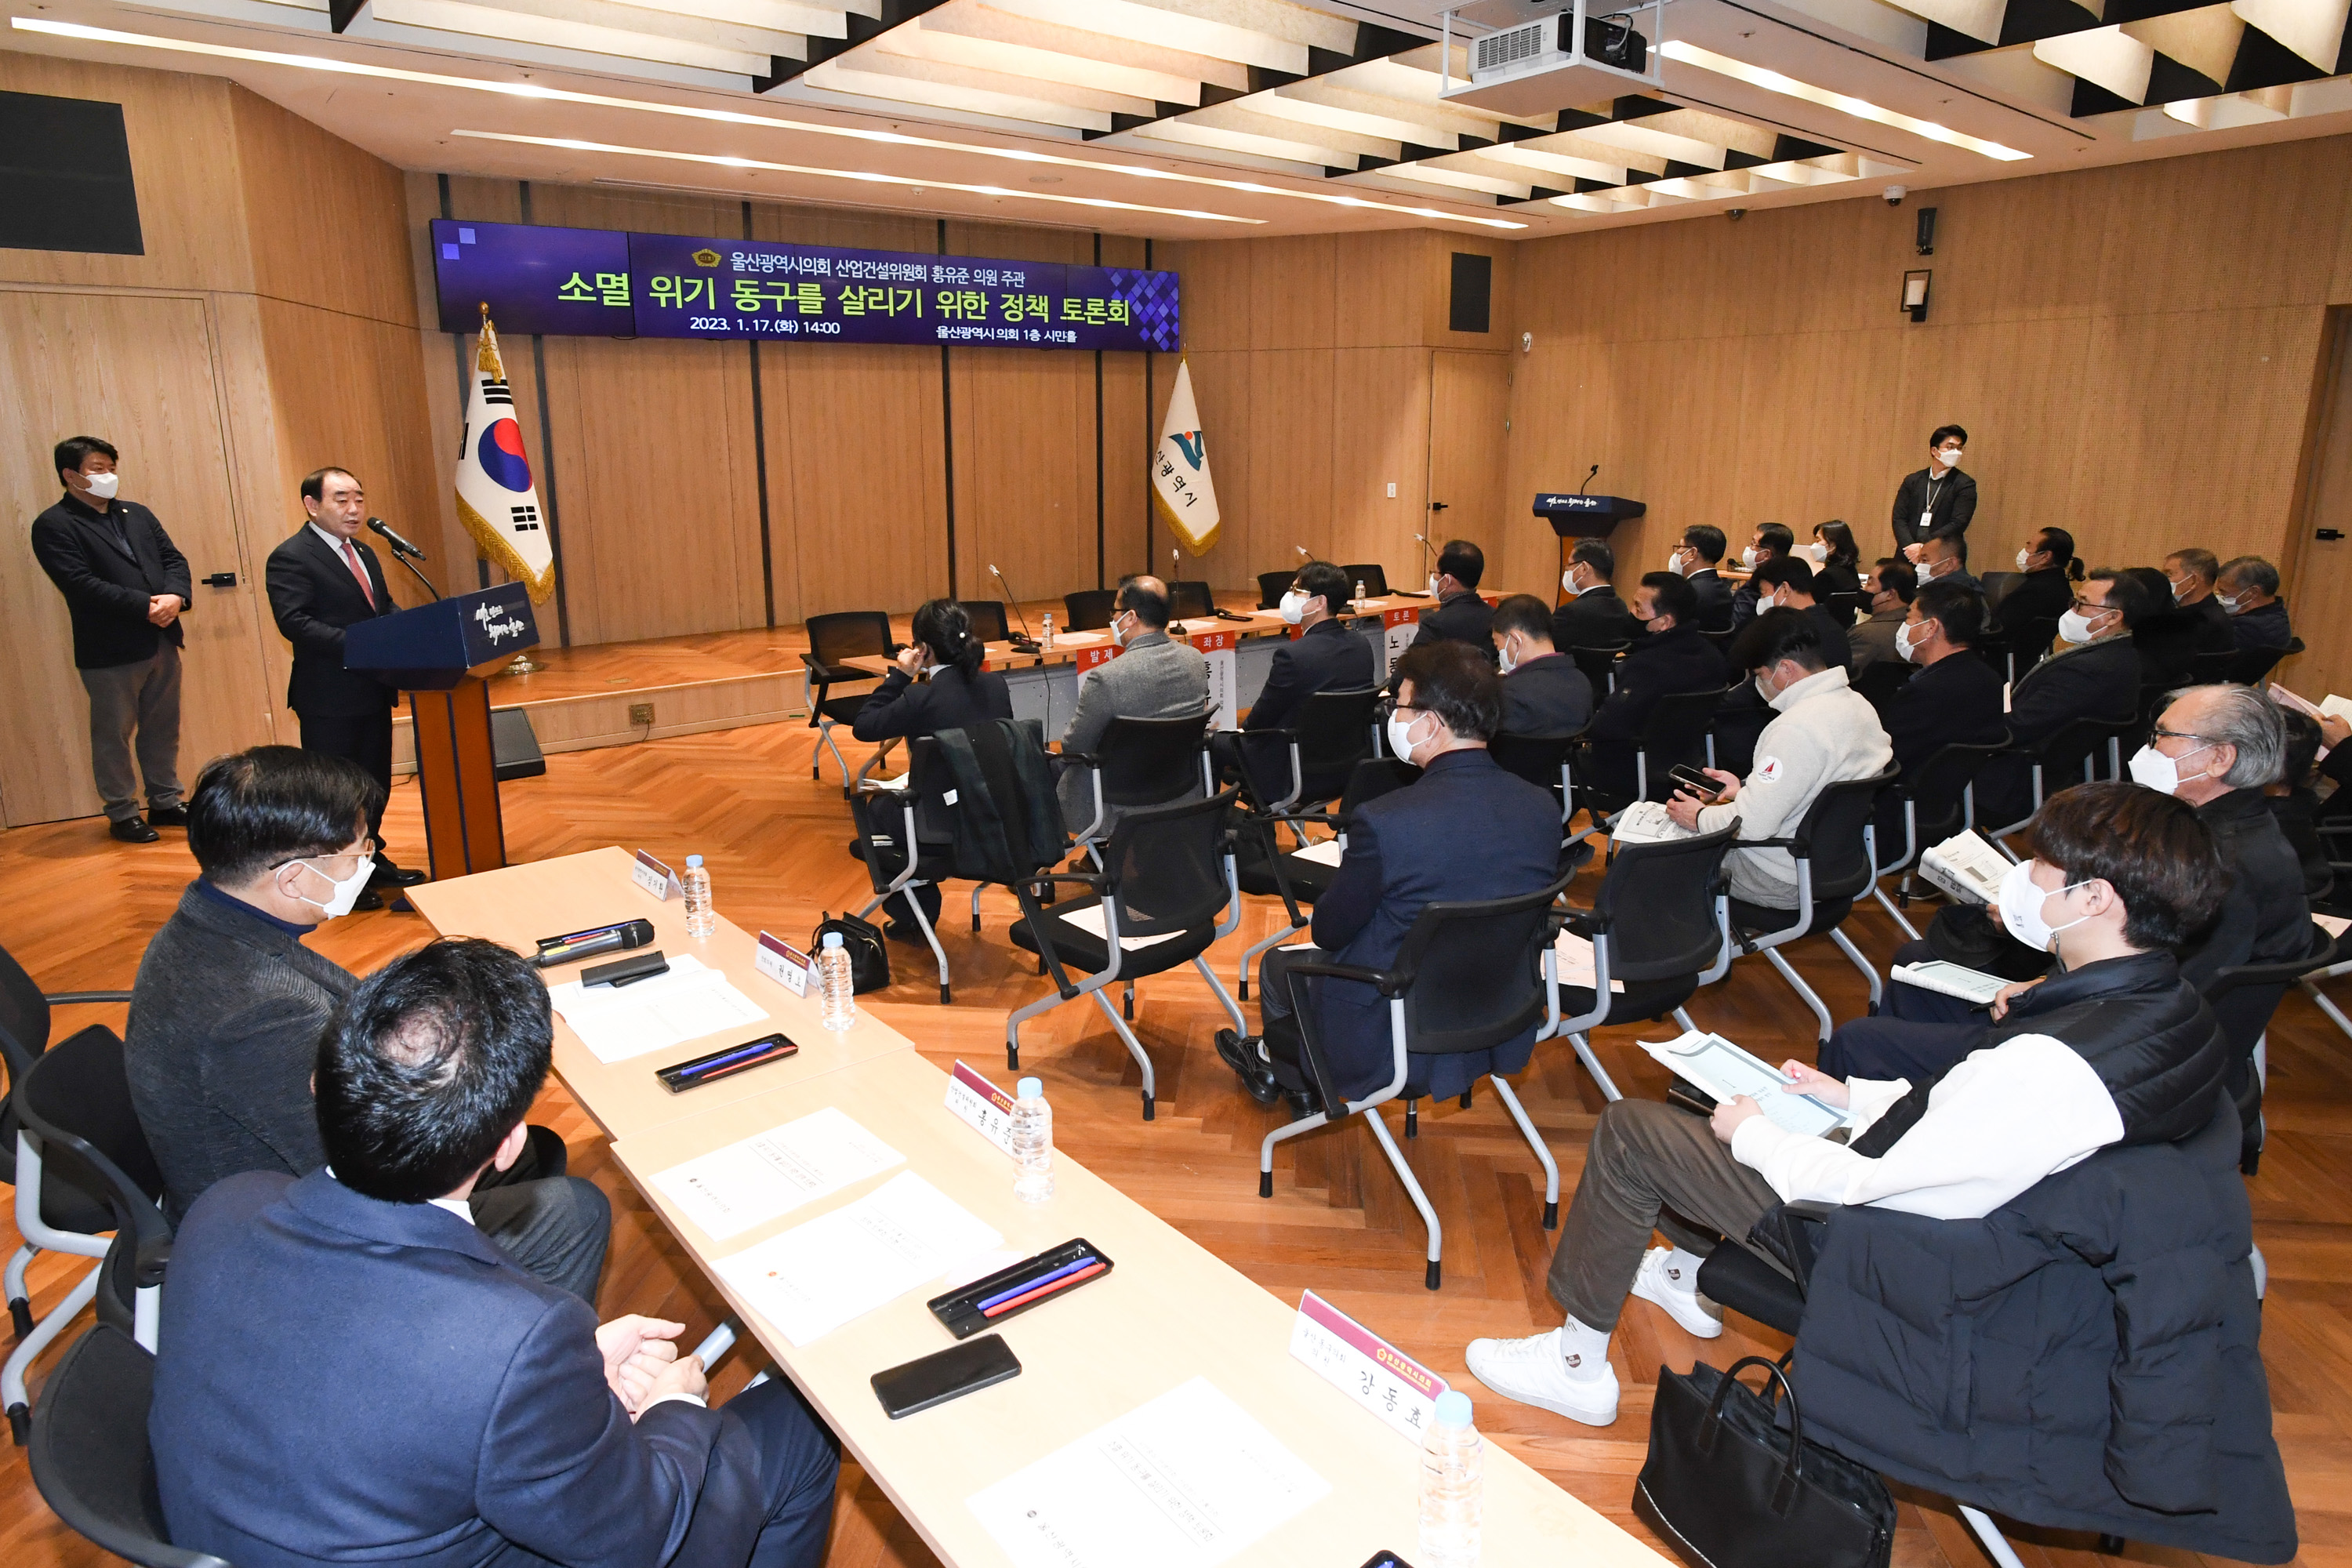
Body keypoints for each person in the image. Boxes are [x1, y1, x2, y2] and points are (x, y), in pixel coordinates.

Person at [1465, 780, 2227, 1428]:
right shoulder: (2167, 1007)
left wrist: (1760, 1134)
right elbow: (1972, 1125)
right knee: (1715, 1093)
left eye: (2039, 861)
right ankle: (1686, 1273)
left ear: (2092, 895)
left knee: (1636, 1130)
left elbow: (1875, 1189)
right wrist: (1850, 1094)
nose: (2022, 873)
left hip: (1893, 1257)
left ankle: (1575, 1364)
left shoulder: (2047, 1061)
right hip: (2006, 1254)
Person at [151, 937, 840, 1568]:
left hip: (254, 1535)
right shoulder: (509, 1341)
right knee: (800, 1425)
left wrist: (567, 1385)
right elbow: (640, 1535)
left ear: (318, 1088)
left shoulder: (223, 1209)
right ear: (511, 1146)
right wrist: (676, 1408)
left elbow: (387, 1386)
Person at [124, 746, 610, 1298]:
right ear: (292, 880)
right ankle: (518, 1360)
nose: (368, 861)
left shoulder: (212, 926)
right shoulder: (260, 1015)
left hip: (256, 1187)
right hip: (291, 1249)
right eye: (360, 850)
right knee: (576, 1208)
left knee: (534, 1154)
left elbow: (351, 1015)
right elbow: (367, 1174)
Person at [1835, 684, 2315, 1074]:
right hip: (2104, 1009)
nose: (2149, 748)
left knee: (1860, 1040)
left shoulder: (2218, 864)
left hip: (2108, 1053)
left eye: (2164, 736)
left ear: (2219, 759)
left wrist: (2042, 988)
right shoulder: (2221, 831)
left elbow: (2160, 998)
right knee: (1920, 963)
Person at [1214, 643, 1558, 1114]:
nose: (1392, 718)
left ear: (1431, 724)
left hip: (1390, 1025)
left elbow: (1329, 931)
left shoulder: (1386, 820)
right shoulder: (1541, 806)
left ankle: (1297, 1077)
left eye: (1399, 706)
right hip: (1497, 1005)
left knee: (1277, 967)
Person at [264, 466, 423, 907]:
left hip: (372, 688)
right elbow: (294, 622)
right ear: (312, 505)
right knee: (335, 793)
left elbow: (381, 606)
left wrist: (411, 628)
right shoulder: (291, 556)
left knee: (374, 785)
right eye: (341, 499)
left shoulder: (366, 553)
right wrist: (365, 644)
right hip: (329, 695)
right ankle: (339, 880)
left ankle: (371, 861)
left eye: (358, 498)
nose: (354, 509)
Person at [1665, 609, 1891, 911]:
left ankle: (1681, 947)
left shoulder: (1795, 727)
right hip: (1834, 864)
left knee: (1652, 854)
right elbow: (1809, 787)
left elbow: (1753, 827)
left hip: (1779, 876)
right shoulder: (1860, 707)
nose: (1759, 684)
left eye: (1759, 674)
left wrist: (1697, 817)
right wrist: (1742, 790)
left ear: (1785, 669)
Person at [31, 434, 193, 844]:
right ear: (71, 476)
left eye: (111, 468)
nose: (109, 477)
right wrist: (146, 605)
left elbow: (173, 559)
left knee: (163, 725)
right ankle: (122, 811)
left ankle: (165, 800)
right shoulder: (54, 524)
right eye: (98, 470)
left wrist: (175, 597)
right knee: (114, 733)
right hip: (110, 648)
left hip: (161, 637)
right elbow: (80, 584)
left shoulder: (136, 514)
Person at [851, 597, 1014, 941]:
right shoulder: (996, 685)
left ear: (922, 649)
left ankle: (914, 904)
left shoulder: (920, 697)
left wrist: (900, 676)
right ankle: (917, 889)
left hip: (940, 825)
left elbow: (863, 726)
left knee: (875, 810)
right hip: (993, 816)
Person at [1971, 568, 2155, 829]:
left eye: (2081, 603)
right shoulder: (2121, 655)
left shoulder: (2091, 669)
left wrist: (1969, 723)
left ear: (2113, 617)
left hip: (2013, 781)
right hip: (2046, 773)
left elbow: (2020, 727)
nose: (2072, 610)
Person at [1211, 559, 1377, 798]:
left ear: (1320, 602)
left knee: (1209, 742)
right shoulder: (1361, 645)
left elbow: (1256, 724)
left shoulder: (1293, 656)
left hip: (1290, 768)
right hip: (1345, 765)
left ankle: (1215, 828)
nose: (1289, 596)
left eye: (1297, 592)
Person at [1053, 574, 1207, 826]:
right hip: (1177, 788)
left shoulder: (1107, 677)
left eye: (1115, 611)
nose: (1112, 618)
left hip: (1115, 799)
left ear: (1131, 617)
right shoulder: (1195, 660)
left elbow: (1074, 748)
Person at [1870, 580, 2006, 854]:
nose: (1904, 627)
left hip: (1893, 820)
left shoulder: (1926, 693)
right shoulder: (1991, 679)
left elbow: (1880, 759)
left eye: (1909, 618)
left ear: (1931, 628)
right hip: (1946, 813)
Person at [1578, 572, 1723, 801]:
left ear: (1664, 622)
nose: (1632, 614)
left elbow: (1607, 726)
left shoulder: (1647, 666)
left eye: (1639, 609)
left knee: (1551, 765)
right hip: (1688, 766)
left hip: (1631, 768)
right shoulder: (1712, 657)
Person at [1490, 593, 1593, 738]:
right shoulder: (1582, 683)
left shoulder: (1507, 693)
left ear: (1516, 641)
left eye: (1497, 644)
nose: (1499, 652)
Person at [1739, 557, 1850, 671]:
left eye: (1763, 593)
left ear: (1785, 590)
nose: (1761, 600)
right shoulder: (1835, 626)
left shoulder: (1790, 633)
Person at [1891, 423, 1975, 560]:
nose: (1956, 452)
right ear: (1934, 451)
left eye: (1960, 448)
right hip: (1908, 554)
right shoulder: (1913, 480)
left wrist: (1924, 547)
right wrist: (1909, 547)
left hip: (1942, 556)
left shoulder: (1965, 484)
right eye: (1950, 447)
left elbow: (1958, 523)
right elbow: (1899, 518)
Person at [1408, 539, 1495, 657]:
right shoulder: (1496, 617)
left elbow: (1409, 669)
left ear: (1447, 580)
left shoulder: (1435, 624)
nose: (1433, 577)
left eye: (1435, 572)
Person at [1551, 539, 1641, 651]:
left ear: (1584, 568)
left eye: (1569, 564)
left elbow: (1548, 652)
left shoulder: (1568, 613)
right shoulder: (1621, 606)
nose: (1567, 569)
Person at [1991, 525, 2081, 631]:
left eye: (2029, 547)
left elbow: (1999, 629)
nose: (2024, 551)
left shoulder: (2036, 592)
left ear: (2045, 557)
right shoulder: (2060, 585)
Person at [1848, 557, 1916, 675]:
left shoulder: (1865, 635)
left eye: (1869, 583)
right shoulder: (1917, 627)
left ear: (1890, 594)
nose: (1864, 589)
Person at [2218, 555, 2292, 651]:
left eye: (2223, 591)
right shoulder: (2276, 613)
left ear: (2253, 592)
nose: (2219, 596)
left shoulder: (2251, 629)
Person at [1668, 524, 1733, 631]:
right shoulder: (1725, 590)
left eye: (1680, 547)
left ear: (1692, 554)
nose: (1677, 552)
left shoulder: (1687, 593)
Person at [1728, 523, 1793, 630]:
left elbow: (1737, 622)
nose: (1750, 548)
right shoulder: (1792, 574)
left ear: (1767, 554)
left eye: (1753, 544)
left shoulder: (1759, 583)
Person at [1802, 521, 1863, 608]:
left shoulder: (1826, 577)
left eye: (1818, 540)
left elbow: (1808, 606)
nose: (1815, 544)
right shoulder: (1851, 571)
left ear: (1833, 545)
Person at [1912, 531, 1978, 595]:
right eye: (1918, 560)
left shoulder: (1953, 595)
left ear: (1950, 564)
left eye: (1924, 560)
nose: (1918, 566)